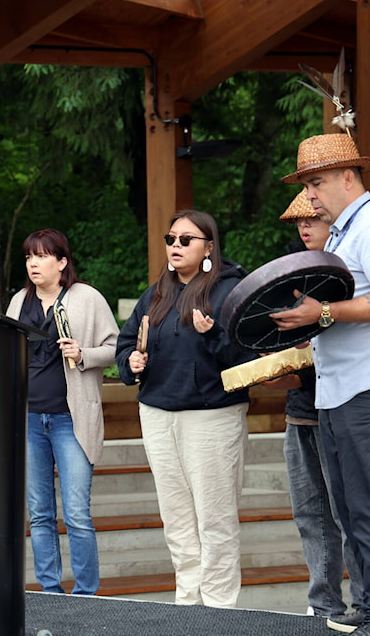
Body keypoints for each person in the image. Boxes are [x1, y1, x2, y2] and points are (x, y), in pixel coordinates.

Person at [271, 133, 370, 636]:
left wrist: (324, 312)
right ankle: (368, 605)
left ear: (348, 177)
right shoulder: (341, 235)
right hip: (338, 393)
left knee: (368, 512)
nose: (309, 195)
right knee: (350, 512)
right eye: (307, 184)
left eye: (315, 183)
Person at [115, 210, 255, 608]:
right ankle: (188, 606)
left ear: (208, 247)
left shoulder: (231, 291)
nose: (175, 246)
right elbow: (127, 343)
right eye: (170, 238)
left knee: (215, 519)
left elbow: (245, 357)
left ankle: (219, 609)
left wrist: (213, 335)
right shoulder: (156, 291)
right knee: (177, 519)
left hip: (212, 416)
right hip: (158, 415)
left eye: (185, 240)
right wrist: (131, 364)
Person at [5, 228, 119, 595]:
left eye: (41, 256)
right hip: (28, 418)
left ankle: (86, 593)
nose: (33, 263)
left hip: (71, 419)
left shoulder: (86, 298)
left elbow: (117, 347)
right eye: (28, 257)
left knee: (77, 515)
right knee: (39, 514)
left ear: (62, 262)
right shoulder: (18, 301)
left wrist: (84, 354)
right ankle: (50, 590)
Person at [270, 191, 364, 620]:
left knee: (351, 515)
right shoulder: (289, 273)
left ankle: (367, 604)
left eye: (312, 219)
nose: (305, 226)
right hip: (299, 408)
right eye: (298, 222)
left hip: (345, 407)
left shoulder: (349, 272)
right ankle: (322, 603)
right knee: (310, 514)